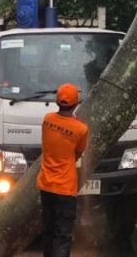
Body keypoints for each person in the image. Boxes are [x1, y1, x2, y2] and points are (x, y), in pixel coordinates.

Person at [38, 83, 89, 257]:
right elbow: (78, 153)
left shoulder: (47, 120)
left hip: (46, 185)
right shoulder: (81, 129)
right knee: (63, 236)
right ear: (76, 104)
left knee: (49, 231)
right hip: (65, 189)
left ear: (57, 102)